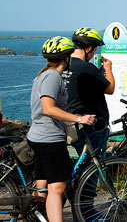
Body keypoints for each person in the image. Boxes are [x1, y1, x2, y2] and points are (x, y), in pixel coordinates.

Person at [27, 36, 95, 222]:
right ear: (66, 58)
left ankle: (34, 215)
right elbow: (48, 108)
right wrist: (79, 118)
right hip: (49, 139)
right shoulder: (52, 77)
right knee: (57, 189)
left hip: (39, 136)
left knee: (42, 183)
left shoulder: (44, 74)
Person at [67, 27, 113, 157]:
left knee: (82, 169)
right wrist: (108, 69)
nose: (93, 54)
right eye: (94, 50)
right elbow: (110, 89)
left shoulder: (65, 64)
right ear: (89, 48)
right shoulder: (87, 67)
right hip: (91, 127)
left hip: (72, 124)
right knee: (91, 171)